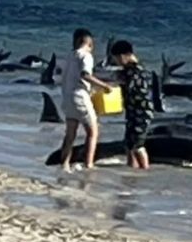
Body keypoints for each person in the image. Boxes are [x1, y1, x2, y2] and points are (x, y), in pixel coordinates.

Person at [59, 28, 114, 171]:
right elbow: (85, 75)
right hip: (80, 98)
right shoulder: (86, 56)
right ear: (89, 43)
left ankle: (64, 164)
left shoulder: (70, 56)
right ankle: (88, 164)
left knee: (70, 134)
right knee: (92, 132)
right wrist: (104, 86)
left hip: (67, 98)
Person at [110, 40, 153, 169]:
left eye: (117, 59)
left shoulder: (136, 70)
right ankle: (131, 171)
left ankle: (145, 171)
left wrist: (113, 84)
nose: (117, 62)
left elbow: (129, 86)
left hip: (142, 113)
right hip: (132, 111)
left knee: (138, 145)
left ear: (124, 56)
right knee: (129, 144)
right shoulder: (130, 69)